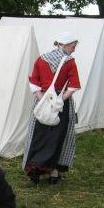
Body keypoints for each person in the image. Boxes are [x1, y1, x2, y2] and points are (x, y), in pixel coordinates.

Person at [23, 31, 81, 185]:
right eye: (73, 46)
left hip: (42, 102)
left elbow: (34, 84)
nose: (74, 49)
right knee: (58, 137)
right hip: (61, 105)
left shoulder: (41, 59)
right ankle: (53, 174)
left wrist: (44, 100)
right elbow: (73, 86)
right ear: (65, 45)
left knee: (39, 136)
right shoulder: (69, 62)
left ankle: (34, 171)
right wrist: (59, 100)